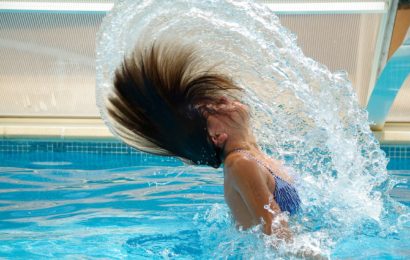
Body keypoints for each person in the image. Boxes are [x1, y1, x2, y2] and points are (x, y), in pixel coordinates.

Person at [105, 40, 301, 240]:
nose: (223, 100)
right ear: (215, 136)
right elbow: (276, 234)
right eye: (213, 108)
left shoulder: (252, 157)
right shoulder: (241, 164)